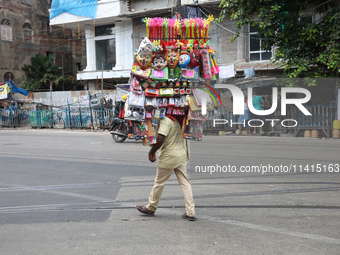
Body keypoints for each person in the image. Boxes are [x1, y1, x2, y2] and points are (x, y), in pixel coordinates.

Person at [136, 115, 196, 221]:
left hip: (169, 157)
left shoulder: (166, 119)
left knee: (159, 183)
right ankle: (191, 211)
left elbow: (160, 139)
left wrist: (152, 152)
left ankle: (151, 207)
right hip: (181, 154)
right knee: (185, 183)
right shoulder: (182, 117)